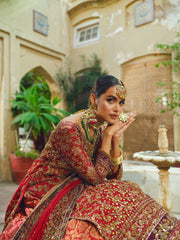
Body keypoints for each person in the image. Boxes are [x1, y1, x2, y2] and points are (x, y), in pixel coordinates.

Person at [0, 75, 179, 240]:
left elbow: (115, 177)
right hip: (49, 187)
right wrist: (108, 137)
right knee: (107, 199)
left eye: (121, 102)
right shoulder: (69, 129)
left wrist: (115, 138)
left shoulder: (100, 127)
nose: (117, 109)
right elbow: (96, 179)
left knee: (124, 189)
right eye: (111, 100)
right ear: (94, 99)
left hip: (78, 182)